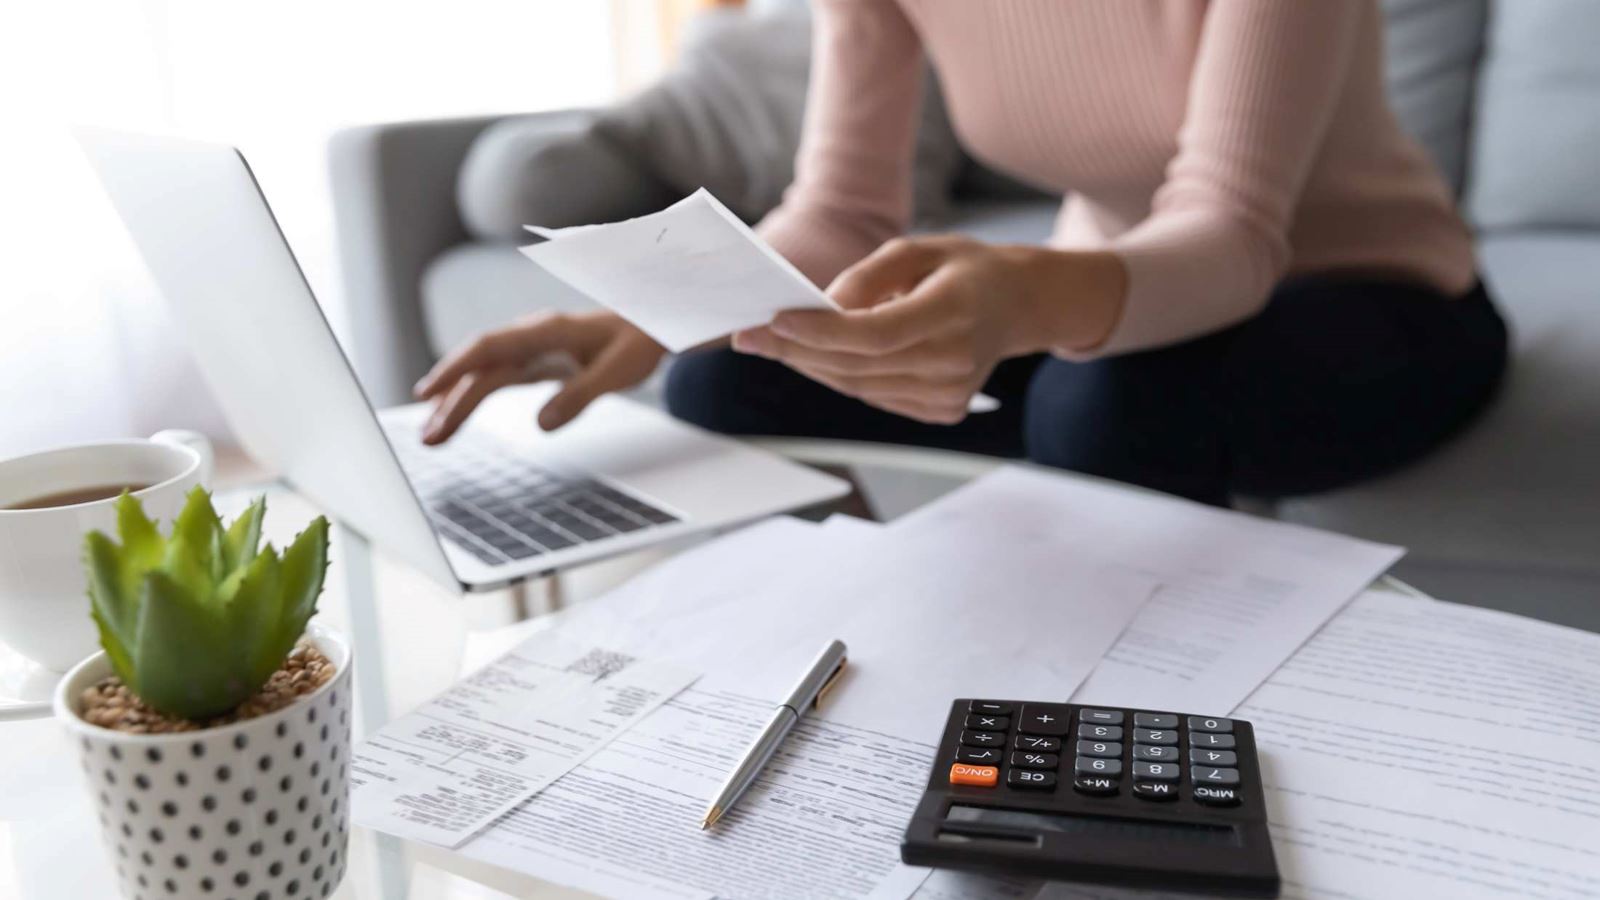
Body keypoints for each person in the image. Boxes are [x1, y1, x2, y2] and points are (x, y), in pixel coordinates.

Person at [415, 1, 1507, 507]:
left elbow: (1233, 232)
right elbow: (840, 209)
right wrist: (645, 313)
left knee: (1102, 409)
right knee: (726, 373)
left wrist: (1028, 297)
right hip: (1115, 304)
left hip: (1376, 295)